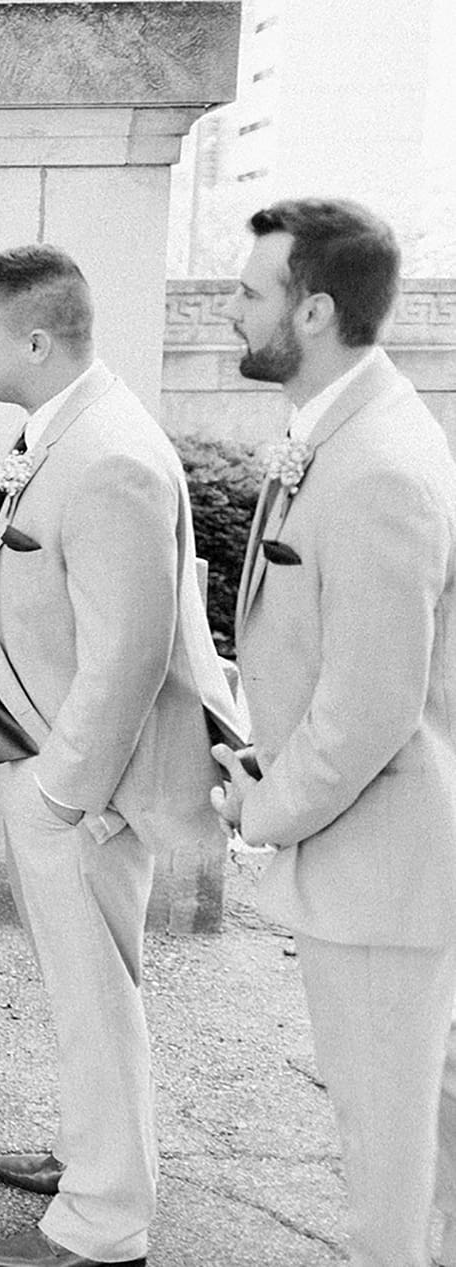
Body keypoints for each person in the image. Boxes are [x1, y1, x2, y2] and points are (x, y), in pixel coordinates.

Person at [0, 247, 240, 1267]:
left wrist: (62, 790)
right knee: (79, 990)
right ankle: (88, 1153)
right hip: (56, 770)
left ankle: (103, 1220)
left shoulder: (110, 452)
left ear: (36, 341)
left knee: (96, 995)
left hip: (84, 784)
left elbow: (129, 651)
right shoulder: (68, 431)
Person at [212, 198, 456, 1267]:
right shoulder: (346, 432)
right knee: (413, 1140)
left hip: (384, 866)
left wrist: (264, 809)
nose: (230, 308)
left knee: (385, 1153)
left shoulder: (380, 465)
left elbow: (371, 706)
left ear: (310, 311)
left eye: (248, 292)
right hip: (376, 856)